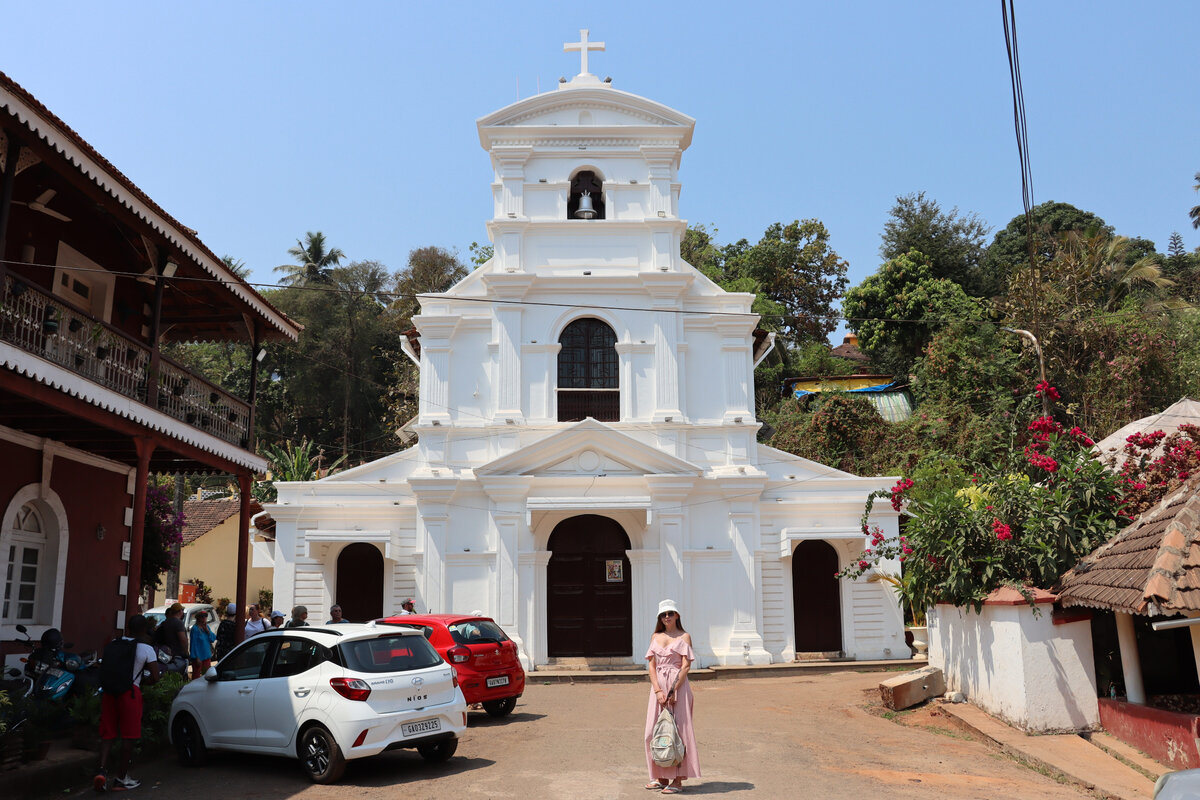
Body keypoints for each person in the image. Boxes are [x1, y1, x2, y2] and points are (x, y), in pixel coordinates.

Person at [95, 614, 159, 792]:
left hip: (109, 693)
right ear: (145, 630)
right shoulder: (146, 649)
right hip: (130, 693)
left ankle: (101, 771)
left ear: (128, 628)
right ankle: (121, 779)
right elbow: (155, 677)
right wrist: (143, 682)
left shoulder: (113, 644)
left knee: (107, 733)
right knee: (128, 736)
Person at [643, 599, 700, 794]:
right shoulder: (655, 636)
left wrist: (674, 688)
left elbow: (686, 666)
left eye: (670, 613)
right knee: (652, 731)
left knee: (679, 733)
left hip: (679, 688)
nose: (666, 617)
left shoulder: (684, 637)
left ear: (677, 615)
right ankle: (659, 776)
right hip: (658, 687)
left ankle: (676, 780)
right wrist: (658, 690)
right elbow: (651, 666)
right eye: (663, 614)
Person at [188, 610, 216, 680]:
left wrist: (208, 631)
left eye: (205, 617)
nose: (204, 619)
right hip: (199, 658)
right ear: (198, 618)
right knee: (196, 676)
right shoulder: (195, 629)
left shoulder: (206, 627)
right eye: (202, 617)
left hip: (207, 656)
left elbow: (212, 639)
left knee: (207, 676)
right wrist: (196, 657)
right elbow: (193, 644)